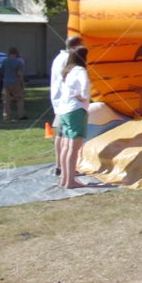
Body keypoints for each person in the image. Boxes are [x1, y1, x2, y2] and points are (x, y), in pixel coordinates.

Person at [50, 36, 84, 176]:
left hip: (60, 102)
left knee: (61, 134)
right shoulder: (68, 60)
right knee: (70, 138)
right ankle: (68, 170)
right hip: (68, 103)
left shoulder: (59, 58)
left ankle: (60, 166)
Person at [57, 46, 90, 189]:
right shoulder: (81, 71)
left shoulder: (67, 71)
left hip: (64, 111)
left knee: (66, 146)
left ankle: (65, 179)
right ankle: (70, 180)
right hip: (75, 110)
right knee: (73, 147)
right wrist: (83, 98)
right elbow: (85, 87)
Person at [1, 47, 26, 121]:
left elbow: (2, 70)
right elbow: (20, 74)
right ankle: (21, 114)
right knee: (19, 99)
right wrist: (22, 83)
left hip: (6, 82)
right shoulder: (18, 62)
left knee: (6, 100)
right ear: (16, 54)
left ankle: (6, 116)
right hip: (15, 82)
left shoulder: (4, 61)